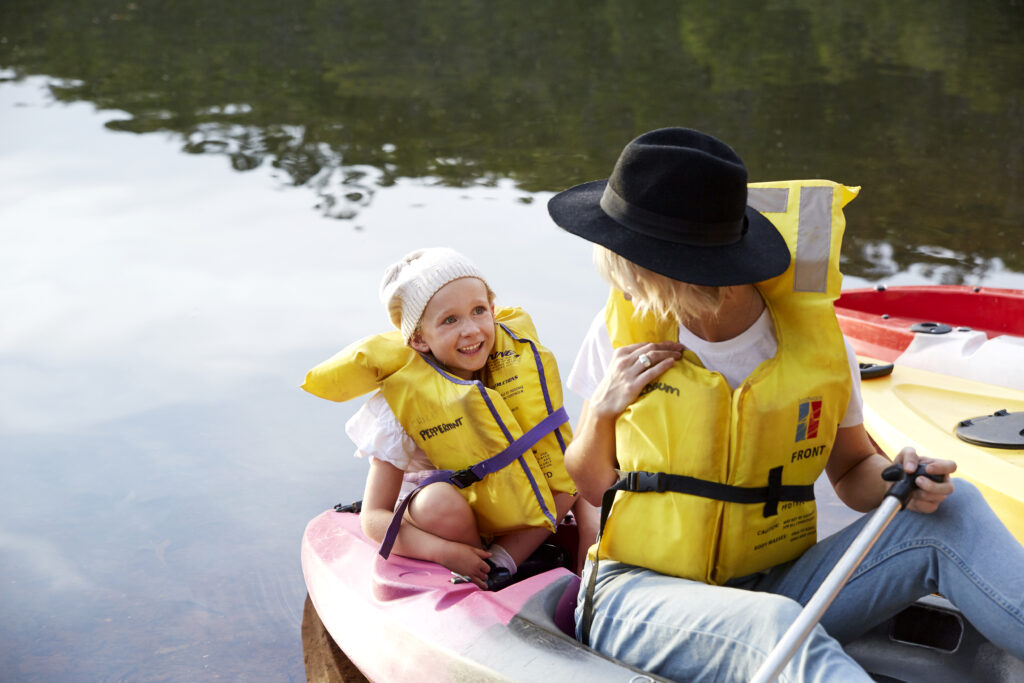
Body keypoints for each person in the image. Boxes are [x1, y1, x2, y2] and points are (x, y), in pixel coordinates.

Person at [547, 127, 1024, 681]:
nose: (615, 269)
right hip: (636, 595)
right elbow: (591, 486)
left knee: (953, 509)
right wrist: (602, 410)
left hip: (771, 585)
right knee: (772, 624)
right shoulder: (621, 333)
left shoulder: (816, 348)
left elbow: (852, 471)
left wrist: (905, 480)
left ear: (670, 264)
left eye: (623, 251)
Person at [302, 247, 584, 589]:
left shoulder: (509, 373)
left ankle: (507, 563)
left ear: (493, 309)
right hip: (437, 520)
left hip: (505, 505)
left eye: (479, 311)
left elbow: (565, 467)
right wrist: (442, 551)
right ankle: (479, 567)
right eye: (450, 320)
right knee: (440, 502)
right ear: (419, 339)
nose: (471, 330)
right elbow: (374, 518)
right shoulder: (401, 403)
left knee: (573, 467)